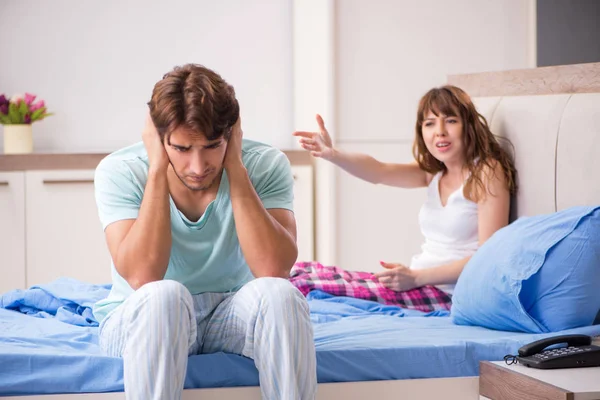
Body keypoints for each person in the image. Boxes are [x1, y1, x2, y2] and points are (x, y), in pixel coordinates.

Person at [92, 63, 317, 400]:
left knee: (281, 296)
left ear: (231, 134)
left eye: (212, 145)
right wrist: (157, 169)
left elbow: (274, 269)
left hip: (229, 312)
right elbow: (142, 276)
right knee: (164, 296)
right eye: (181, 149)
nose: (198, 167)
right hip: (146, 317)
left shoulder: (263, 164)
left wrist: (235, 168)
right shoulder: (121, 171)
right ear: (156, 138)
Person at [293, 85, 517, 305]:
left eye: (450, 120)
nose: (439, 131)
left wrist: (416, 277)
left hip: (449, 293)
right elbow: (379, 171)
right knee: (300, 272)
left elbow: (488, 257)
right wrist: (333, 154)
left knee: (308, 287)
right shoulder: (435, 172)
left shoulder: (487, 172)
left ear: (469, 126)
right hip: (418, 282)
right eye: (430, 123)